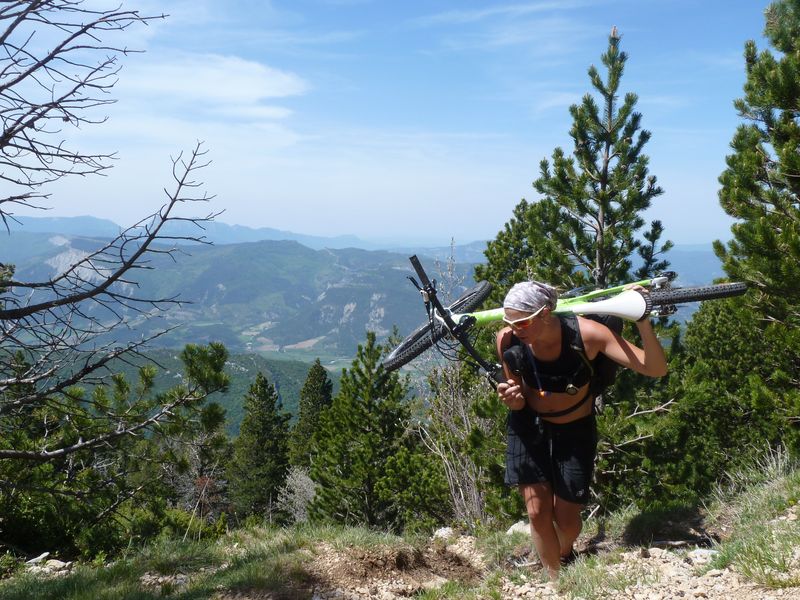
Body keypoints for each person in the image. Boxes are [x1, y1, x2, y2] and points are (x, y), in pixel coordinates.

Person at [496, 280, 667, 580]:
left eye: (522, 321)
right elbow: (519, 394)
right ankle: (555, 583)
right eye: (509, 321)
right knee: (536, 513)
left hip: (574, 428)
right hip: (529, 425)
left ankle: (564, 551)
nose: (515, 328)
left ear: (546, 312)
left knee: (567, 518)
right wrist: (514, 400)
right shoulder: (508, 341)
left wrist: (643, 322)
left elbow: (654, 368)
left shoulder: (587, 335)